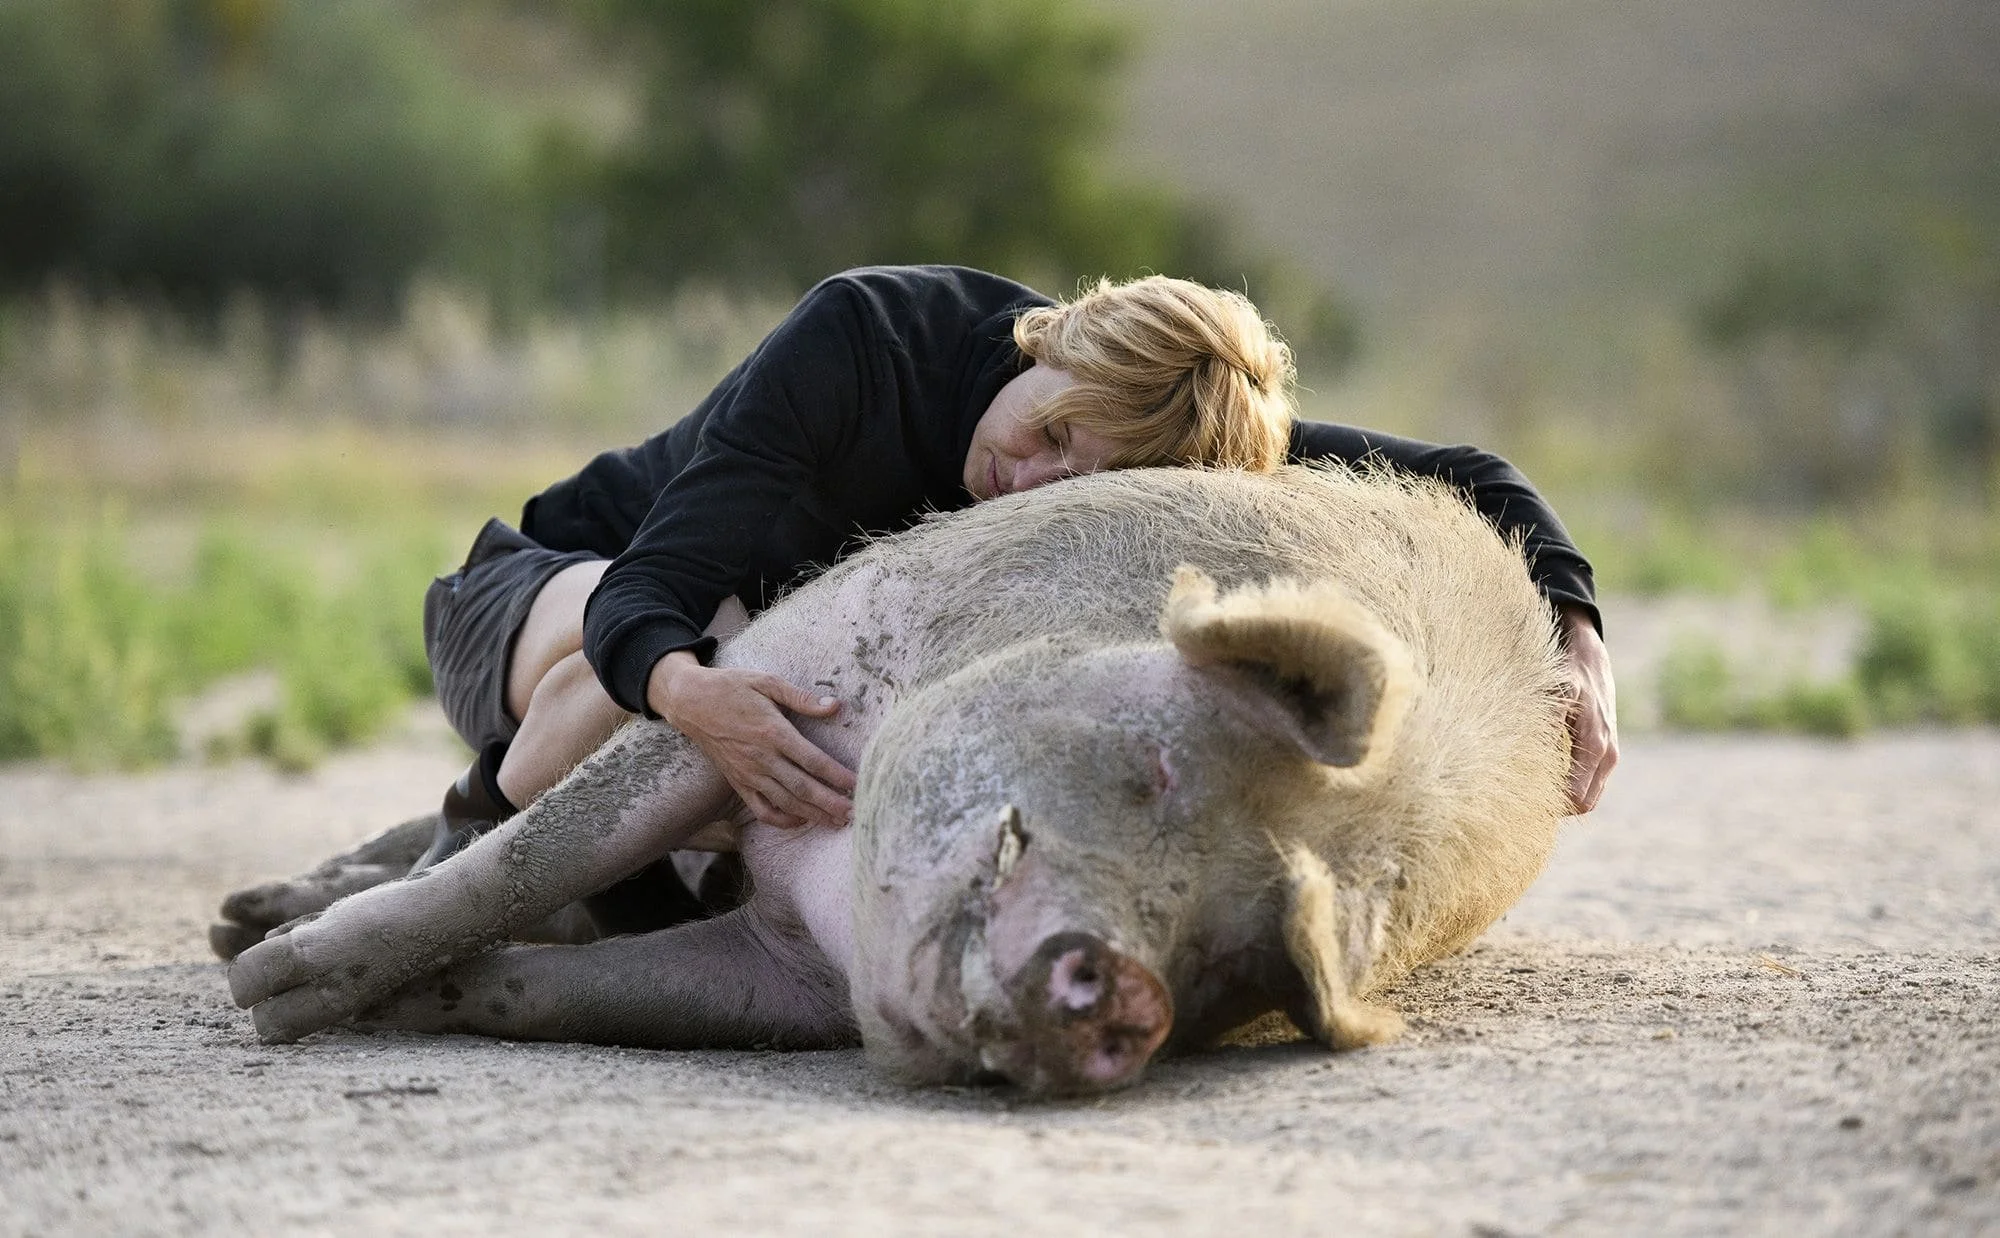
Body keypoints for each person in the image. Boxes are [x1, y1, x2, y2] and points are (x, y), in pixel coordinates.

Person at [418, 264, 1617, 882]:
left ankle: (587, 861)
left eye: (1076, 481)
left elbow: (1471, 472)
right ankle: (452, 859)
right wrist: (689, 694)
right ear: (1054, 340)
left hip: (742, 681)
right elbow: (649, 595)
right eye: (1044, 433)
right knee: (728, 636)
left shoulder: (1163, 426)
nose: (1025, 484)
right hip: (543, 595)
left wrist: (1578, 643)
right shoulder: (861, 337)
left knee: (793, 713)